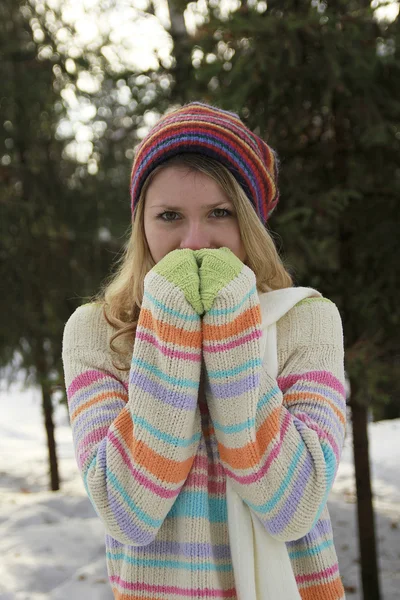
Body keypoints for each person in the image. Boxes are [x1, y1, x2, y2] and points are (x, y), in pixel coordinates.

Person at [62, 102, 347, 600]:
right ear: (141, 224)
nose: (194, 242)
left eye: (220, 213)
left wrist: (231, 329)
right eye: (169, 216)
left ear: (251, 222)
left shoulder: (306, 320)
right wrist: (168, 324)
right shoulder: (94, 333)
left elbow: (294, 507)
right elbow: (128, 512)